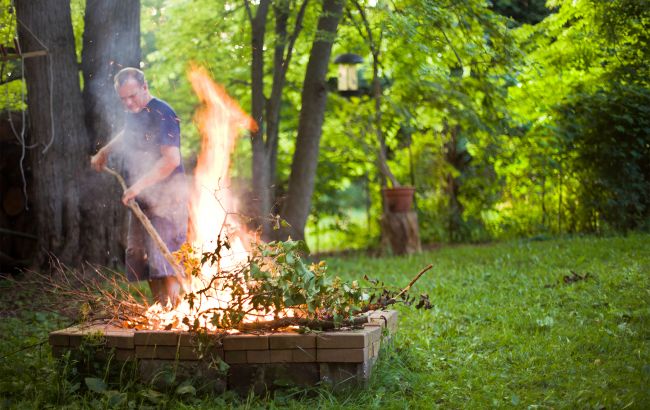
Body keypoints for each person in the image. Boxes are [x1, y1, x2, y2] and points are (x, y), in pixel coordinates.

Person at [90, 67, 188, 306]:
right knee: (141, 256)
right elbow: (128, 132)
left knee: (164, 258)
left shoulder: (163, 113)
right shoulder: (134, 112)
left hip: (168, 198)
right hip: (141, 196)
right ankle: (160, 311)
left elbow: (171, 160)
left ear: (145, 87)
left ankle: (175, 312)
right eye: (123, 99)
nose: (129, 103)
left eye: (132, 96)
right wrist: (105, 151)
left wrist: (138, 186)